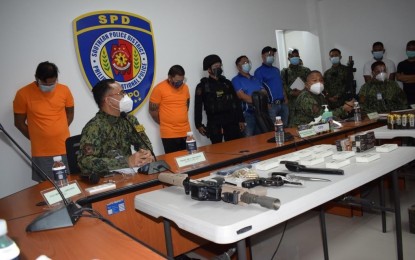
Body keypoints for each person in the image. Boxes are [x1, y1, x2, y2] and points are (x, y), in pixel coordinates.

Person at [13, 61, 74, 181]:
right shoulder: (23, 94)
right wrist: (37, 137)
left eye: (53, 83)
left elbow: (70, 113)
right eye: (46, 84)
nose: (50, 86)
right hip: (42, 152)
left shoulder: (64, 90)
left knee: (69, 184)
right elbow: (19, 123)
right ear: (37, 78)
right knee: (47, 187)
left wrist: (58, 130)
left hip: (64, 148)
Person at [78, 79, 154, 174]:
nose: (125, 96)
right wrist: (125, 162)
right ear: (108, 101)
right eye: (121, 93)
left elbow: (145, 143)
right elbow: (85, 162)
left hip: (130, 176)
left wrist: (145, 155)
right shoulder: (94, 127)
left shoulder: (130, 120)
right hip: (107, 180)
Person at [194, 54, 245, 144]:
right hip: (214, 123)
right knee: (217, 150)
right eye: (215, 66)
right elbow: (198, 106)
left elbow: (236, 102)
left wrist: (241, 119)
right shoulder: (203, 86)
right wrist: (198, 124)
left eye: (219, 65)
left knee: (236, 146)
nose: (218, 68)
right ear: (209, 69)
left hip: (231, 120)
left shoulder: (227, 83)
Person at [149, 65, 191, 153]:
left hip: (186, 132)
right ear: (169, 77)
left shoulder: (185, 88)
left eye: (182, 80)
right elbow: (153, 112)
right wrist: (166, 123)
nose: (180, 83)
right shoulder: (159, 89)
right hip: (169, 134)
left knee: (190, 159)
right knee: (173, 161)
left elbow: (187, 105)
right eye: (177, 81)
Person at [232, 55, 266, 136]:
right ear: (238, 66)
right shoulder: (236, 80)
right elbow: (242, 96)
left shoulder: (256, 79)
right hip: (247, 115)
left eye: (247, 62)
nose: (247, 63)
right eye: (244, 62)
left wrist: (260, 101)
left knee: (261, 138)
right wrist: (258, 101)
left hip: (260, 113)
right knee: (249, 139)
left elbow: (264, 93)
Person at [254, 46, 289, 126]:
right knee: (275, 129)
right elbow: (260, 89)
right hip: (271, 106)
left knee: (286, 127)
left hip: (283, 103)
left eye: (272, 55)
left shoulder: (276, 70)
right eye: (269, 55)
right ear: (262, 56)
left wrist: (285, 97)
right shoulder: (259, 72)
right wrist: (266, 103)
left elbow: (281, 85)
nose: (271, 57)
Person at [281, 49, 311, 126]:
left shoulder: (306, 70)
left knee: (307, 122)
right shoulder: (285, 71)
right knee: (292, 124)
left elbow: (310, 83)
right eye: (292, 56)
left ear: (299, 57)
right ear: (288, 58)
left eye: (296, 56)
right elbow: (283, 85)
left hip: (305, 101)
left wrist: (302, 91)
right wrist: (291, 92)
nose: (294, 58)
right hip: (291, 103)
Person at [396, 40, 415, 105]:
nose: (411, 51)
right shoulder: (401, 64)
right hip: (407, 97)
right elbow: (399, 78)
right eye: (409, 49)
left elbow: (403, 78)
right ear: (406, 50)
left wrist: (405, 78)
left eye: (413, 49)